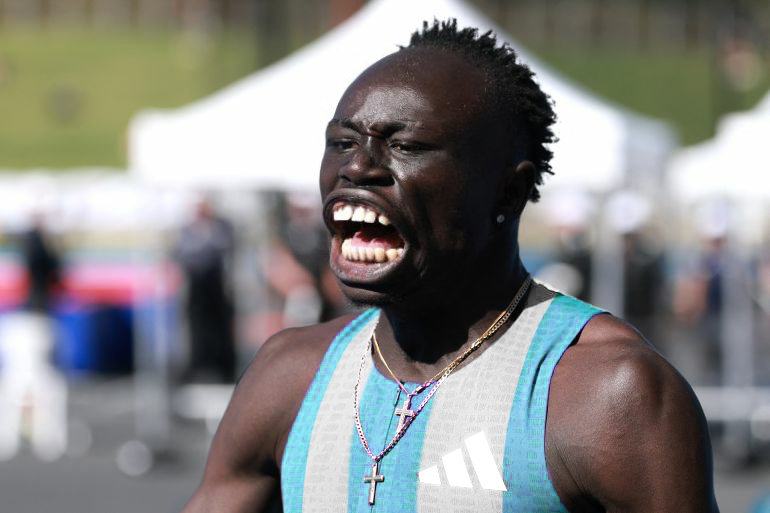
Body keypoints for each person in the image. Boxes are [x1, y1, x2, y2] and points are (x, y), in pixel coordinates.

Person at [182, 20, 719, 512]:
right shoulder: (289, 376)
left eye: (406, 145)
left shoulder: (608, 393)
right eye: (342, 142)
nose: (358, 166)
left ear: (508, 192)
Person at [173, 197, 237, 383]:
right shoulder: (187, 229)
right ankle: (198, 367)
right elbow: (183, 252)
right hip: (196, 288)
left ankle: (223, 368)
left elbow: (224, 246)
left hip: (218, 288)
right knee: (197, 330)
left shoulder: (221, 226)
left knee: (220, 330)